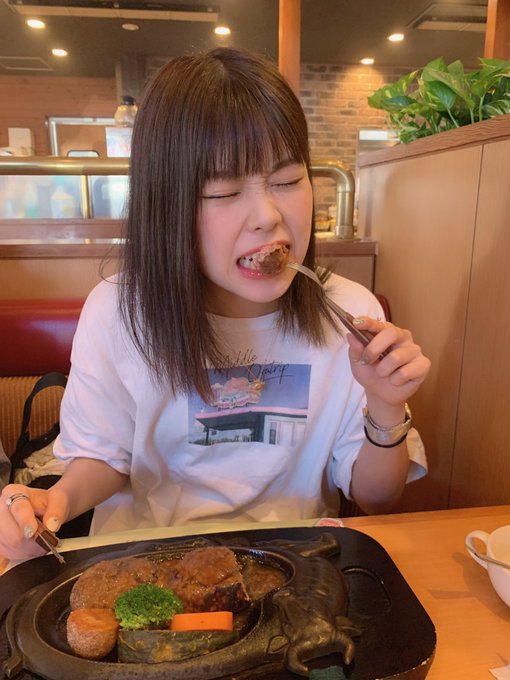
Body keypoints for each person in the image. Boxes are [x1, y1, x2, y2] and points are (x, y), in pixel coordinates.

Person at [0, 47, 430, 562]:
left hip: (299, 569)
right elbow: (105, 458)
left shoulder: (350, 312)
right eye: (224, 191)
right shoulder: (118, 311)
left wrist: (385, 404)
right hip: (146, 564)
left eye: (287, 181)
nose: (268, 216)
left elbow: (376, 498)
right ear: (167, 203)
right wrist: (56, 500)